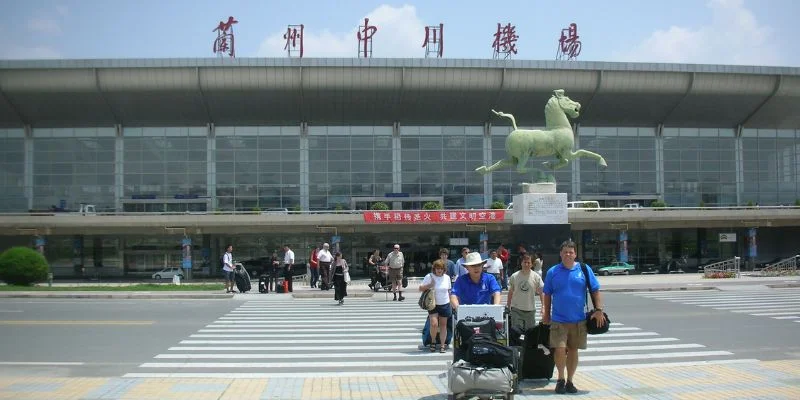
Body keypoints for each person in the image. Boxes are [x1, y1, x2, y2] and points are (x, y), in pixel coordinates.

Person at [542, 240, 606, 395]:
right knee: (559, 348)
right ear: (561, 254)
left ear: (575, 254)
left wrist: (599, 310)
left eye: (571, 252)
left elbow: (595, 290)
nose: (568, 255)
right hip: (558, 319)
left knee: (573, 350)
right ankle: (560, 379)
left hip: (578, 319)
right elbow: (547, 294)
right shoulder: (553, 272)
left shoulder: (584, 269)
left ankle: (570, 381)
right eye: (565, 252)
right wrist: (546, 313)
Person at [419, 259, 452, 353]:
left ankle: (442, 345)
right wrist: (430, 285)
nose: (439, 270)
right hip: (433, 304)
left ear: (444, 269)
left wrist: (451, 302)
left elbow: (449, 291)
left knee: (443, 325)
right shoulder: (429, 276)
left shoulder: (447, 278)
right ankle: (433, 341)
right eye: (437, 268)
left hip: (445, 303)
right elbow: (420, 288)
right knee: (434, 324)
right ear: (434, 269)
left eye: (441, 268)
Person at [507, 253, 544, 331]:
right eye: (525, 262)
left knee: (530, 334)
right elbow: (511, 292)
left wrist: (543, 306)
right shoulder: (514, 276)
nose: (526, 264)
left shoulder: (536, 277)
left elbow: (541, 292)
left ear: (532, 264)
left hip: (530, 310)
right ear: (521, 263)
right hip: (516, 309)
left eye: (528, 263)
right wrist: (508, 305)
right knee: (517, 333)